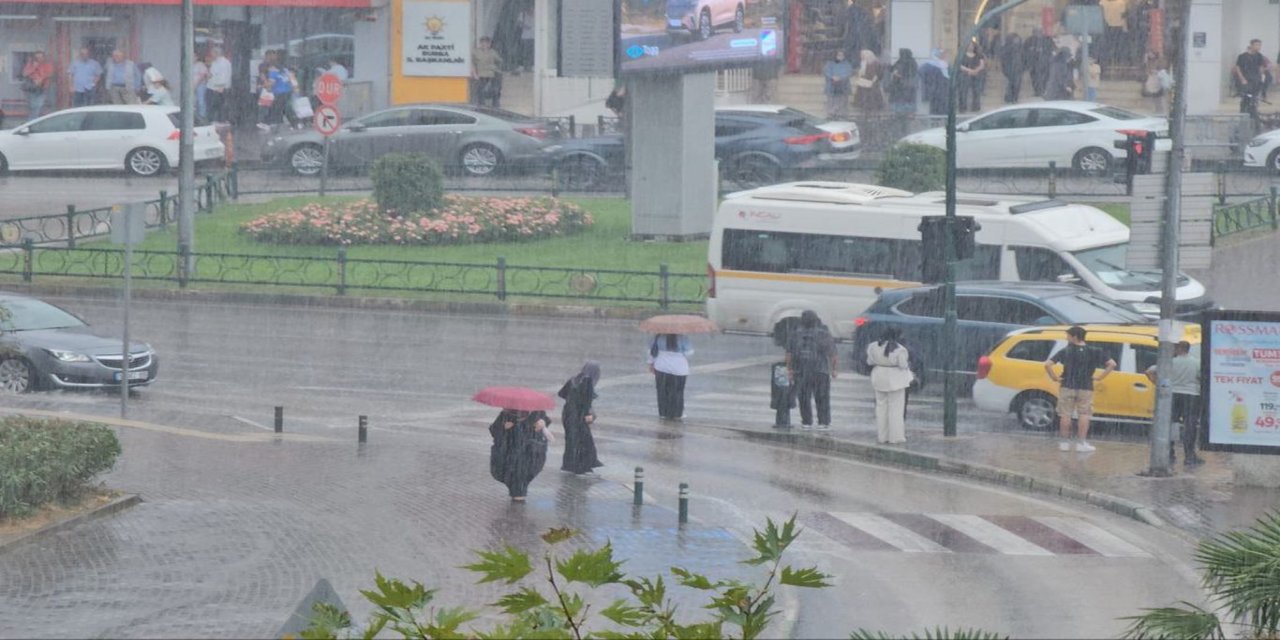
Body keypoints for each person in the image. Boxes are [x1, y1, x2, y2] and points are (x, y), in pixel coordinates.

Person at [1044, 325, 1117, 453]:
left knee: (1065, 414)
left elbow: (1048, 364)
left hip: (1067, 385)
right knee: (1084, 414)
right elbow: (1112, 364)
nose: (1067, 338)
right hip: (1086, 386)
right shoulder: (1095, 351)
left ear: (1075, 337)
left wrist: (1055, 378)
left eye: (1068, 336)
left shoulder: (1066, 351)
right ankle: (1081, 443)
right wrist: (1100, 377)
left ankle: (1064, 444)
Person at [1146, 341, 1204, 465]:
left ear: (1178, 349)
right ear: (1188, 349)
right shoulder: (1196, 363)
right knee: (1190, 425)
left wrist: (1158, 384)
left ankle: (1170, 453)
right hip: (1192, 396)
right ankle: (1189, 455)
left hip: (1173, 395)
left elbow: (1149, 371)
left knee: (1172, 423)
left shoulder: (1170, 362)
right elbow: (1202, 377)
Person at [786, 310, 837, 431]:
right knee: (822, 397)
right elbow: (833, 354)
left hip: (801, 370)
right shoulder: (824, 334)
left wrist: (790, 369)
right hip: (820, 370)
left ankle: (806, 422)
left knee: (804, 397)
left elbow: (789, 354)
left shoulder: (795, 334)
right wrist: (833, 369)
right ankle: (823, 422)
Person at [489, 409, 550, 501]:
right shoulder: (506, 413)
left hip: (530, 452)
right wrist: (503, 427)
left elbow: (545, 422)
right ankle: (518, 497)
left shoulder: (537, 412)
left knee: (521, 475)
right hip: (509, 452)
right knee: (515, 476)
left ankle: (518, 496)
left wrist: (543, 423)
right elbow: (494, 429)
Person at [867, 327, 912, 445]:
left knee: (881, 408)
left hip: (879, 377)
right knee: (896, 409)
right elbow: (903, 365)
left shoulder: (873, 346)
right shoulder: (900, 349)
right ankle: (896, 436)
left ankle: (882, 436)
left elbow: (869, 362)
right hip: (895, 379)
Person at [559, 362, 603, 475]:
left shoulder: (574, 379)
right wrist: (588, 413)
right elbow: (587, 400)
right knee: (583, 440)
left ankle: (569, 464)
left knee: (571, 440)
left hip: (568, 413)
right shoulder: (588, 381)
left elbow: (561, 393)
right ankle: (582, 466)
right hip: (579, 414)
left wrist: (572, 398)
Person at [648, 333, 692, 421]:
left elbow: (652, 351)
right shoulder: (682, 337)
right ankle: (677, 413)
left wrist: (650, 363)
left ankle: (663, 412)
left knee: (662, 391)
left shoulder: (658, 337)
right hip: (679, 368)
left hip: (661, 366)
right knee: (678, 391)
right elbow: (689, 352)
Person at [1234, 39, 1269, 114]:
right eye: (1257, 45)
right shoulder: (1242, 56)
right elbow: (1238, 68)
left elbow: (1261, 67)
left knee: (1255, 99)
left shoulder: (1259, 56)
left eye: (1260, 45)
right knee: (1246, 98)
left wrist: (1262, 75)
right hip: (1246, 80)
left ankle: (1253, 113)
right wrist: (1242, 79)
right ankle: (1243, 113)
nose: (1259, 47)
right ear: (1251, 45)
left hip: (1256, 80)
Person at [20, 51, 54, 122]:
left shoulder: (47, 65)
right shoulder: (30, 65)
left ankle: (32, 121)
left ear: (44, 57)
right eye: (37, 57)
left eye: (41, 57)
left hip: (42, 88)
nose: (39, 59)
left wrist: (40, 78)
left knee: (38, 105)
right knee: (32, 106)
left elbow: (49, 74)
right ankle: (32, 121)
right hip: (31, 89)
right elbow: (24, 74)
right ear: (34, 58)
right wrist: (34, 67)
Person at [886, 48, 918, 117]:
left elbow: (910, 73)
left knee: (903, 100)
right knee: (903, 100)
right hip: (901, 85)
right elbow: (893, 68)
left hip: (903, 85)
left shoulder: (908, 62)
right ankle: (902, 113)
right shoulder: (903, 61)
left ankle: (903, 114)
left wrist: (899, 75)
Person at [472, 37, 503, 108]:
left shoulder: (493, 52)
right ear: (480, 44)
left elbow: (500, 61)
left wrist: (497, 68)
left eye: (486, 43)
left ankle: (496, 106)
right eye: (482, 43)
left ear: (489, 44)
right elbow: (472, 64)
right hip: (481, 75)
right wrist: (474, 74)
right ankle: (482, 106)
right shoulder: (476, 52)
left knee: (496, 90)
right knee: (481, 91)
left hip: (492, 74)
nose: (484, 44)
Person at [1024, 28, 1055, 97]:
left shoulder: (1048, 40)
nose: (1038, 34)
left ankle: (1043, 91)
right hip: (1033, 64)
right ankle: (1037, 91)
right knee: (1034, 79)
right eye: (1036, 32)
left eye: (1039, 32)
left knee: (1044, 78)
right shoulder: (1029, 40)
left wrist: (1045, 52)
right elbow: (1024, 51)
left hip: (1044, 63)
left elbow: (1052, 50)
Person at [918, 48, 949, 116]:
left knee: (942, 108)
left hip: (943, 91)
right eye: (943, 54)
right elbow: (921, 73)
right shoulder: (929, 64)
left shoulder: (946, 64)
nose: (945, 56)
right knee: (936, 109)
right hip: (935, 90)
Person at [823, 50, 854, 119]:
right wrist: (832, 77)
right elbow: (826, 71)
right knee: (831, 100)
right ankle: (831, 113)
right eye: (839, 55)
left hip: (843, 85)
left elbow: (849, 72)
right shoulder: (829, 63)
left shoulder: (847, 64)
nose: (840, 57)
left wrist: (841, 77)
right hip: (832, 84)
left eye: (842, 55)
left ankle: (841, 114)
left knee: (842, 100)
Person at [957, 40, 986, 112]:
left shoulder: (979, 55)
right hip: (964, 76)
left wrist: (976, 71)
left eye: (972, 46)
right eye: (969, 45)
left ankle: (975, 107)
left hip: (976, 76)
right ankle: (963, 108)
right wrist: (969, 70)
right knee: (963, 91)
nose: (970, 47)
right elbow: (959, 65)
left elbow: (982, 65)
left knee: (976, 92)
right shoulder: (962, 55)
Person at [852, 50, 885, 114]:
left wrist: (873, 80)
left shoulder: (876, 63)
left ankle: (873, 112)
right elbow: (861, 73)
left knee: (872, 100)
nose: (862, 57)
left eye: (863, 55)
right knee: (863, 99)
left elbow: (879, 73)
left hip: (872, 84)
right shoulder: (863, 62)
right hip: (863, 84)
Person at [206, 47, 232, 124]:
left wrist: (220, 87)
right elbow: (212, 73)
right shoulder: (215, 62)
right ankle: (214, 119)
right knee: (213, 104)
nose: (211, 55)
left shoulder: (224, 63)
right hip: (212, 86)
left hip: (219, 87)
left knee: (219, 104)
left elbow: (224, 76)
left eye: (212, 53)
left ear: (217, 53)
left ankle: (221, 120)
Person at [1000, 32, 1025, 103]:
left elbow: (1025, 58)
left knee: (1017, 84)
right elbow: (1004, 59)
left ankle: (1014, 98)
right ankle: (1010, 97)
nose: (1016, 41)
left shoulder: (1021, 48)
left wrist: (1024, 67)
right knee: (1012, 84)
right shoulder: (1007, 48)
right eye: (1015, 40)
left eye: (1017, 40)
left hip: (1018, 69)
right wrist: (1005, 69)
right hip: (1011, 69)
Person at [193, 54, 210, 120]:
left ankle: (202, 116)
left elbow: (203, 75)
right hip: (193, 86)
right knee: (195, 102)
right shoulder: (190, 65)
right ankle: (196, 116)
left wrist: (197, 84)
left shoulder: (200, 64)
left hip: (200, 85)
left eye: (193, 57)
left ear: (197, 57)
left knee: (201, 101)